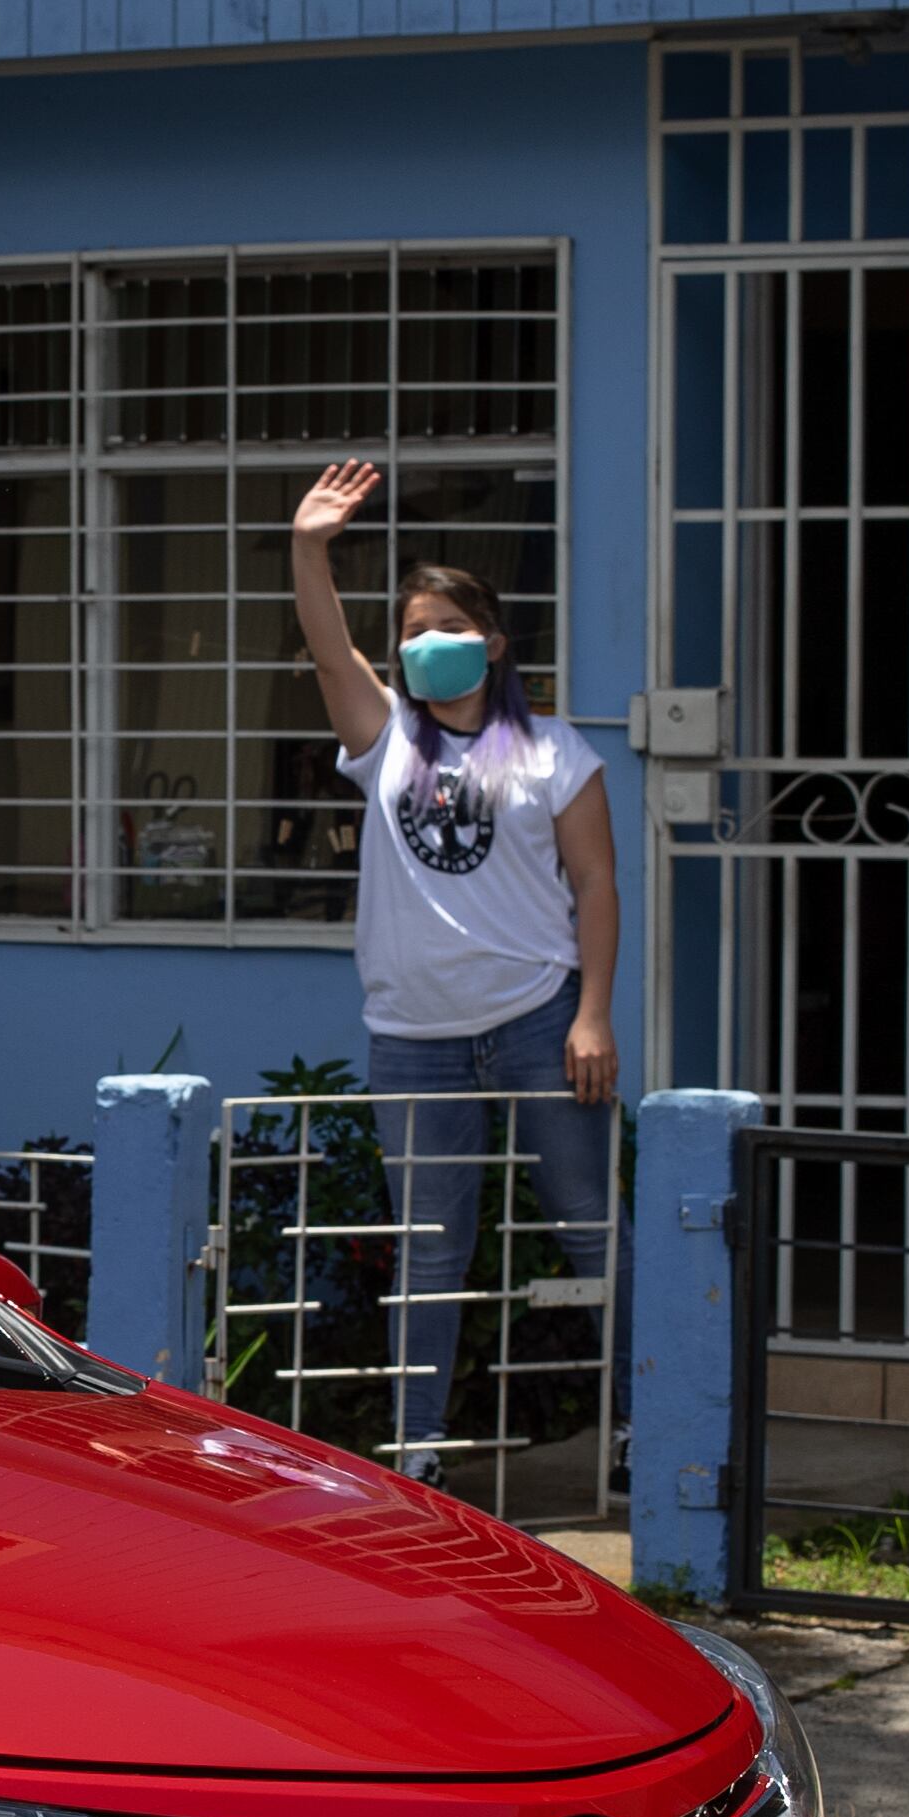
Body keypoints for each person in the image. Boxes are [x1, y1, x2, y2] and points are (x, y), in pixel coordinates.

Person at [285, 460, 626, 1481]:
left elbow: (598, 885)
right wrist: (310, 545)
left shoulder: (556, 752)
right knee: (431, 1251)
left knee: (591, 1229)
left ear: (495, 642)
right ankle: (418, 1450)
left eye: (446, 626)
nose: (426, 643)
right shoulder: (385, 738)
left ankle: (647, 1431)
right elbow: (326, 645)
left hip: (537, 1020)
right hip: (415, 1036)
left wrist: (594, 1015)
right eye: (412, 629)